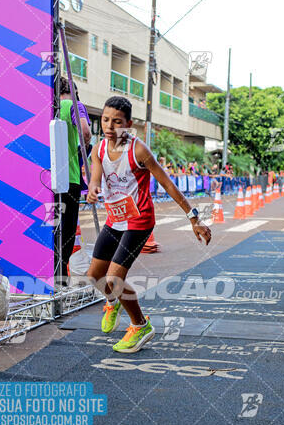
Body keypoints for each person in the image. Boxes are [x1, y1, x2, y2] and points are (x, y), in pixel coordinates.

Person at [86, 96, 211, 354]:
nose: (109, 126)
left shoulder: (138, 150)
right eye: (106, 120)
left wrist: (194, 219)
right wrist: (93, 188)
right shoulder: (99, 149)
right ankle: (113, 302)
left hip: (139, 221)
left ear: (129, 124)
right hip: (115, 220)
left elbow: (167, 184)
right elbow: (96, 177)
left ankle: (140, 325)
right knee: (95, 276)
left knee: (114, 278)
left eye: (117, 122)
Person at [55, 76, 91, 284]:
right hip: (69, 179)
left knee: (50, 227)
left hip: (44, 180)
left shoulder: (47, 107)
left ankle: (47, 274)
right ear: (74, 91)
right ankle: (59, 277)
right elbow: (85, 132)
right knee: (67, 230)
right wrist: (83, 148)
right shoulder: (74, 105)